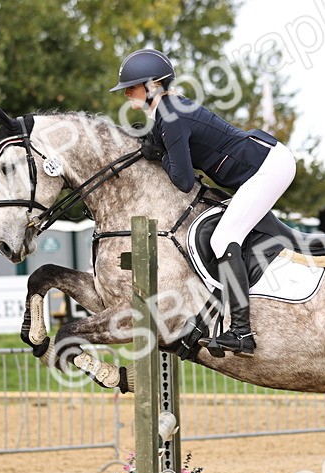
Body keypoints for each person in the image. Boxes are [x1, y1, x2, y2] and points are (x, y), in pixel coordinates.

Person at [111, 48, 295, 355]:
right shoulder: (163, 113)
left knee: (224, 237)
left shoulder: (170, 116)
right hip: (259, 164)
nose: (127, 92)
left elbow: (183, 181)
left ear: (153, 85)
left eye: (133, 85)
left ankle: (241, 331)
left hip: (268, 167)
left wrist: (162, 154)